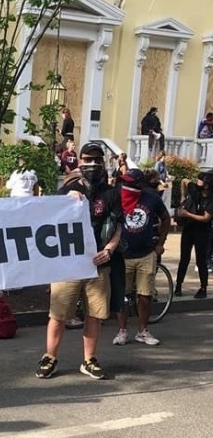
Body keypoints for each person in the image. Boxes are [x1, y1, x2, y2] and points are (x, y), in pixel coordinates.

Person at [36, 141, 122, 381]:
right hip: (68, 266)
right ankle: (50, 357)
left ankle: (89, 360)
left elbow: (118, 226)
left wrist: (110, 249)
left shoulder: (112, 193)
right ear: (79, 161)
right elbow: (47, 223)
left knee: (94, 315)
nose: (92, 164)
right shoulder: (67, 191)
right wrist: (64, 203)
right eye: (87, 159)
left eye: (96, 159)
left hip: (98, 266)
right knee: (58, 315)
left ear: (103, 162)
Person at [111, 168, 170, 346]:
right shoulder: (116, 196)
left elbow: (166, 218)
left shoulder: (151, 198)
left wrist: (160, 243)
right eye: (124, 182)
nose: (125, 186)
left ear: (138, 184)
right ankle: (122, 331)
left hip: (146, 253)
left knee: (145, 295)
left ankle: (143, 331)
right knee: (122, 295)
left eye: (130, 183)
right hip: (122, 255)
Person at [174, 171, 213, 299]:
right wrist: (183, 197)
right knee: (184, 258)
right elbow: (184, 180)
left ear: (207, 185)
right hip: (188, 229)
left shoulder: (210, 200)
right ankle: (178, 286)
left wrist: (188, 214)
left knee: (200, 260)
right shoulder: (195, 190)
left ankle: (203, 288)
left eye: (200, 180)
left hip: (202, 231)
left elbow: (206, 218)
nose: (197, 181)